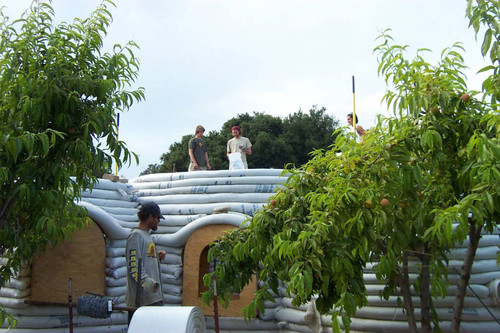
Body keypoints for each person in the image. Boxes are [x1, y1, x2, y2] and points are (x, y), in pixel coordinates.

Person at [126, 202, 166, 317]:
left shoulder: (145, 235)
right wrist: (149, 284)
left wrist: (157, 257)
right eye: (157, 217)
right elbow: (134, 267)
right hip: (142, 301)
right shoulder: (136, 236)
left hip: (152, 298)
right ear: (150, 217)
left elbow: (143, 259)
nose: (159, 221)